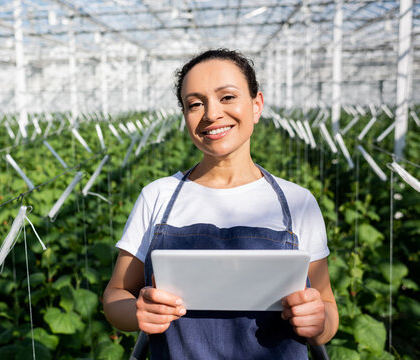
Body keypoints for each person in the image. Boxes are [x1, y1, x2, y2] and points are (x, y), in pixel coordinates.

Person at [103, 48, 338, 359]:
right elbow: (115, 295)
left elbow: (327, 306)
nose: (211, 114)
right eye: (195, 104)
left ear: (257, 105)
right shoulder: (158, 196)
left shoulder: (298, 202)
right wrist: (137, 312)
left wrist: (317, 320)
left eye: (227, 97)